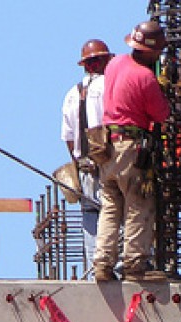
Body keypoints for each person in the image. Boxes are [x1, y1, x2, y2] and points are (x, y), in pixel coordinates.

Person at [92, 21, 170, 282]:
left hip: (106, 146)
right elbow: (161, 114)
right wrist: (162, 89)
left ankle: (102, 265)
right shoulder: (145, 77)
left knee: (111, 206)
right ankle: (134, 267)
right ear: (150, 51)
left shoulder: (115, 64)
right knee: (139, 204)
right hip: (130, 148)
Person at [60, 39, 113, 274]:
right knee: (116, 215)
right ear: (103, 61)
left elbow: (69, 138)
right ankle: (118, 269)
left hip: (85, 168)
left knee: (91, 220)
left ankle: (97, 272)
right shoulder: (110, 86)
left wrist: (80, 163)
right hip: (109, 164)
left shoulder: (72, 93)